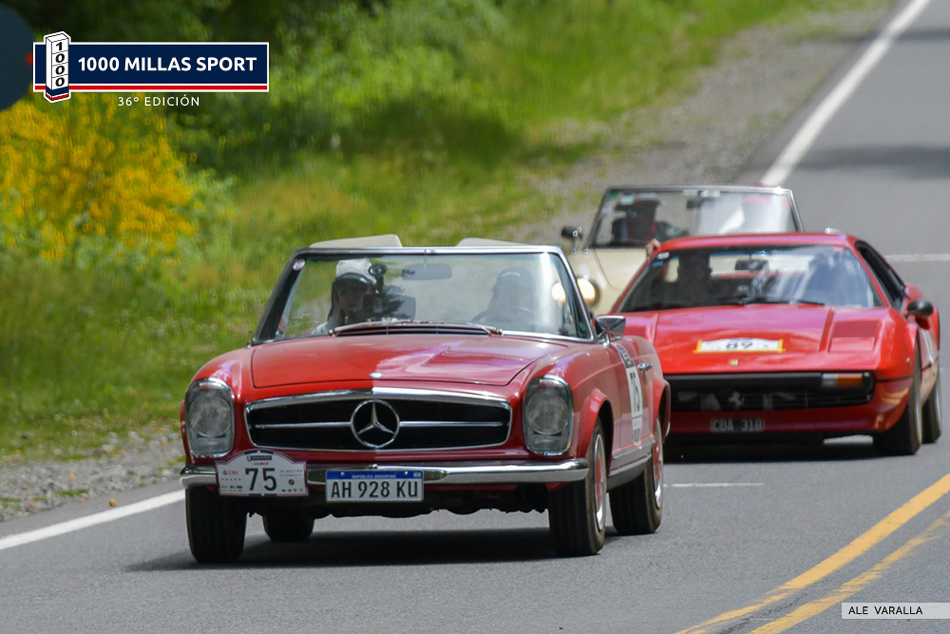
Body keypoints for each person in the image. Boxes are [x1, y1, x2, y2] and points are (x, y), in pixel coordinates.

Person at [313, 258, 378, 334]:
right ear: (336, 296)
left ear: (373, 291)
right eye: (343, 289)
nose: (350, 297)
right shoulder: (321, 335)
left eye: (357, 288)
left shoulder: (389, 331)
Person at [473, 266, 538, 327]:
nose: (501, 300)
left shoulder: (539, 330)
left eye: (512, 295)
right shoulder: (481, 329)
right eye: (498, 294)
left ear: (530, 299)